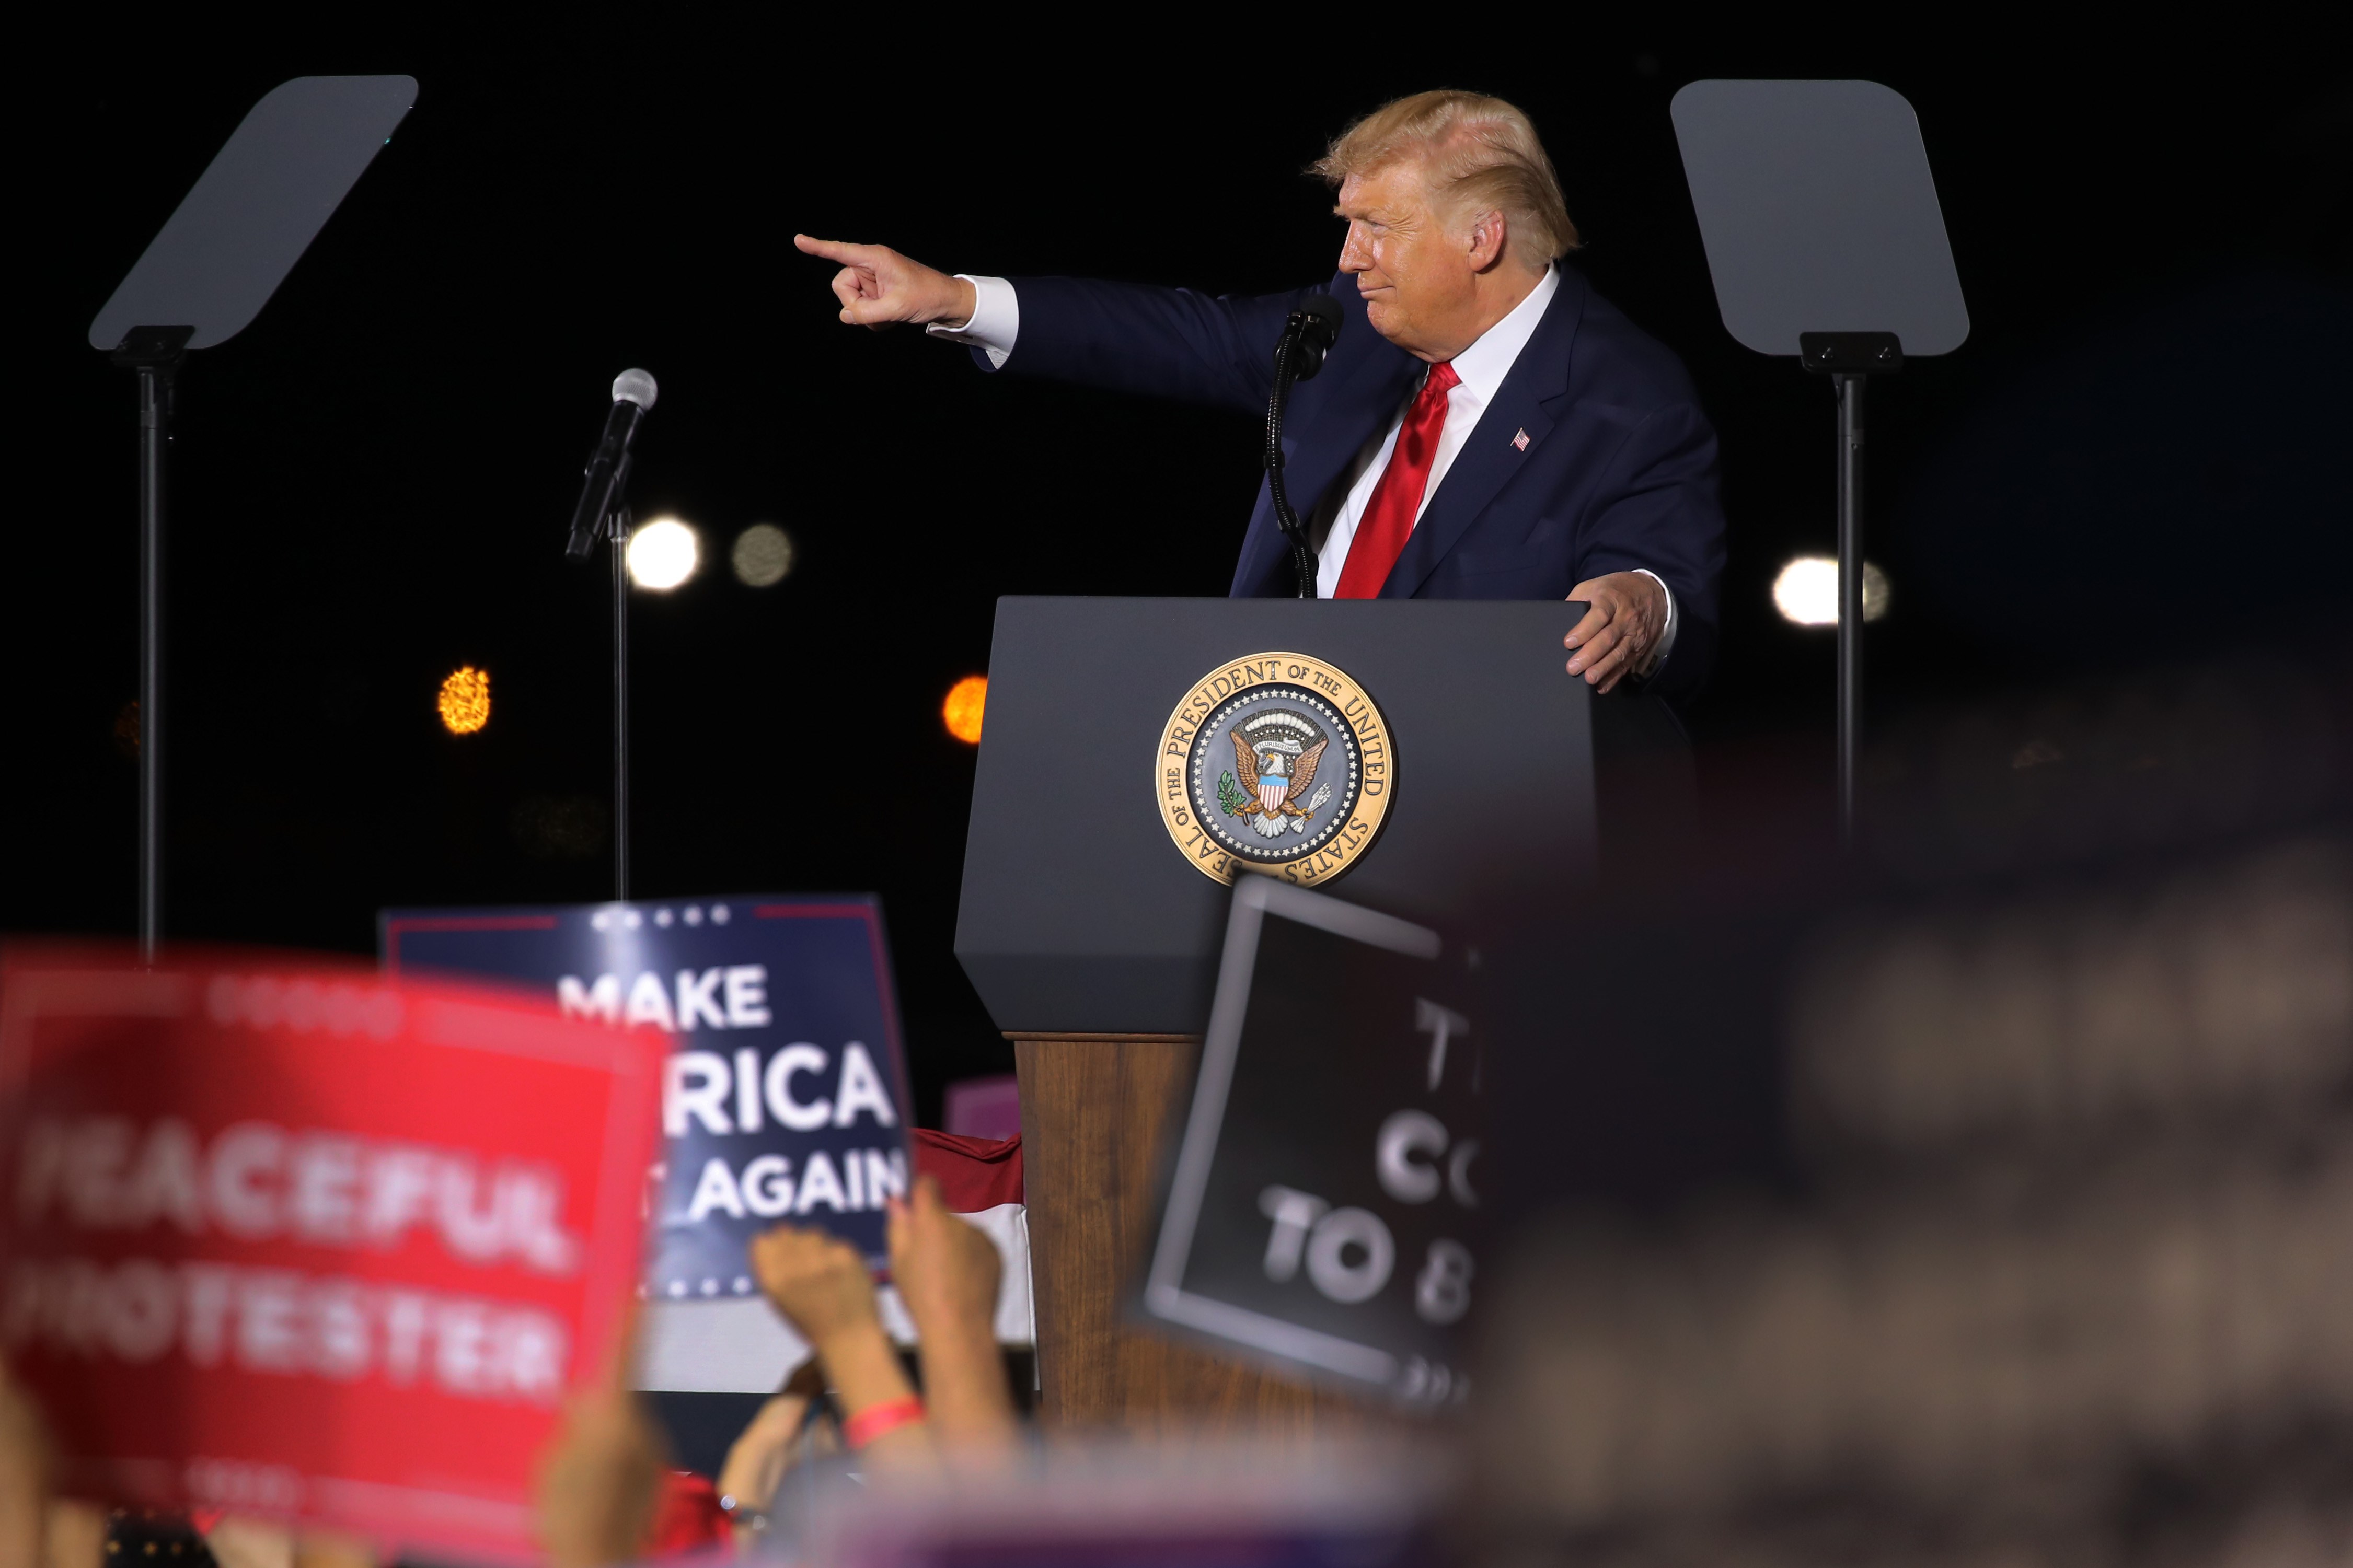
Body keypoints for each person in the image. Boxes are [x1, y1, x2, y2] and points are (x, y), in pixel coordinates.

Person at [795, 89, 1727, 702]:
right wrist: (955, 300)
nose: (1347, 257)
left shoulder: (1626, 394)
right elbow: (1177, 336)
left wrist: (1637, 604)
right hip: (1291, 788)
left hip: (1504, 859)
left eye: (1375, 227)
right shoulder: (1348, 331)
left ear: (1481, 237)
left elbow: (1660, 584)